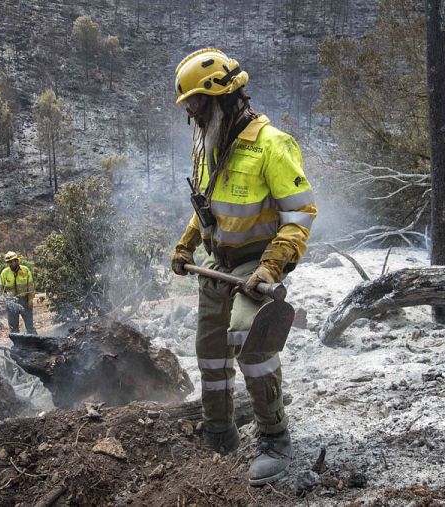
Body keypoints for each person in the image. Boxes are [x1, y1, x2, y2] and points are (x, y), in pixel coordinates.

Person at [170, 48, 317, 486]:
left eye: (197, 103)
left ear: (223, 97)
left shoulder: (273, 145)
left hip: (257, 262)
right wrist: (186, 245)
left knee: (246, 338)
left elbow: (301, 215)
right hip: (220, 263)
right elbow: (207, 207)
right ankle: (220, 433)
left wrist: (271, 268)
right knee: (209, 351)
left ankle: (275, 440)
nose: (192, 114)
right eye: (189, 106)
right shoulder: (211, 142)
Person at [0, 251, 37, 334]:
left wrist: (30, 299)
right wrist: (1, 303)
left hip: (25, 301)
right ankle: (17, 346)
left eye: (11, 262)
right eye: (8, 262)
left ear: (16, 261)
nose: (10, 264)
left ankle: (36, 343)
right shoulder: (4, 273)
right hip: (11, 302)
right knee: (13, 329)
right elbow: (0, 289)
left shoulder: (25, 270)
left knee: (30, 326)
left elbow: (31, 286)